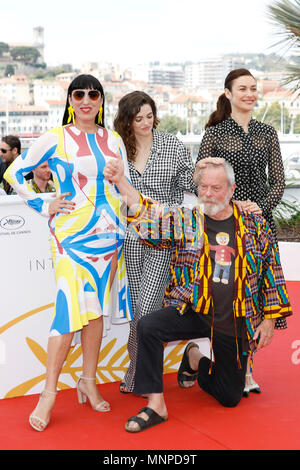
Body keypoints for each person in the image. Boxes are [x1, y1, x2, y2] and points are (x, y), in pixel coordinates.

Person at [103, 156, 292, 433]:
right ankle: (156, 405)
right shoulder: (188, 219)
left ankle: (194, 359)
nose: (207, 194)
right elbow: (150, 218)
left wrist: (269, 320)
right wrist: (121, 181)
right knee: (148, 326)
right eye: (203, 187)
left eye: (216, 188)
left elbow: (272, 270)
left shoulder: (254, 224)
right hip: (193, 309)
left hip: (235, 316)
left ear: (231, 189)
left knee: (230, 397)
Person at [4, 74, 133, 431]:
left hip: (111, 236)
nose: (86, 100)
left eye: (94, 94)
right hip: (71, 239)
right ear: (71, 100)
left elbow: (125, 185)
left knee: (95, 314)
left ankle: (88, 381)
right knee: (66, 316)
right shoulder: (55, 138)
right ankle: (49, 395)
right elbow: (15, 173)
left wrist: (123, 190)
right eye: (79, 94)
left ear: (102, 99)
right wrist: (44, 204)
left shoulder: (114, 139)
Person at [194, 68, 286, 396]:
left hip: (259, 223)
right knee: (228, 294)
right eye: (243, 89)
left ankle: (248, 368)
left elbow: (278, 181)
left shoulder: (267, 132)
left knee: (256, 293)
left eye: (254, 88)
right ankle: (226, 365)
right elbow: (202, 182)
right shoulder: (215, 133)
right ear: (228, 93)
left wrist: (260, 206)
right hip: (223, 226)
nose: (250, 94)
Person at [113, 91, 197, 393]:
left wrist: (217, 181)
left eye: (149, 116)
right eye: (139, 118)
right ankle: (139, 370)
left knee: (148, 308)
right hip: (132, 236)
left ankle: (137, 375)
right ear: (127, 120)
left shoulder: (172, 145)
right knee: (138, 310)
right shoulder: (119, 148)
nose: (146, 122)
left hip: (164, 236)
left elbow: (191, 182)